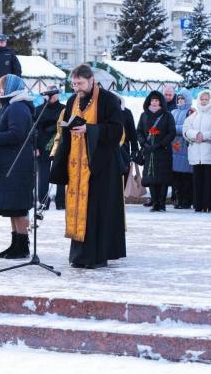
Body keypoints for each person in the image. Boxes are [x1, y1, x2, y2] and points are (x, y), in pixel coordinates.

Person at [49, 64, 126, 269]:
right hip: (76, 166)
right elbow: (64, 128)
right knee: (78, 210)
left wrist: (90, 130)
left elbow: (117, 131)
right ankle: (79, 255)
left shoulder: (109, 100)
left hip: (100, 166)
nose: (77, 88)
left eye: (80, 83)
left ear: (91, 79)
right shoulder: (73, 101)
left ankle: (97, 256)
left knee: (96, 210)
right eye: (74, 84)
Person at [0, 74, 34, 259]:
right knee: (13, 206)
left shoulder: (18, 107)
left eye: (2, 87)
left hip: (17, 164)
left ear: (12, 87)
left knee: (19, 206)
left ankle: (22, 245)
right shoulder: (11, 106)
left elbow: (16, 134)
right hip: (10, 162)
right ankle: (15, 243)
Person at [136, 90, 176, 212]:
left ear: (161, 102)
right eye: (152, 100)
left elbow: (171, 132)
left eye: (157, 100)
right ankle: (155, 203)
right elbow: (139, 131)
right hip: (149, 151)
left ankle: (162, 204)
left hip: (163, 151)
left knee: (163, 179)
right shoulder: (144, 115)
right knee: (151, 178)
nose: (154, 103)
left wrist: (160, 144)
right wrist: (144, 143)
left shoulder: (167, 115)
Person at [183, 90, 211, 212]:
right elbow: (186, 128)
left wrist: (203, 136)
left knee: (210, 181)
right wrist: (196, 134)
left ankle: (210, 205)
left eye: (206, 99)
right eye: (202, 99)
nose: (203, 101)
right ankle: (198, 205)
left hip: (210, 152)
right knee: (197, 181)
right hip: (196, 153)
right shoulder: (194, 115)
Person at [34, 89, 64, 211]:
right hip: (42, 145)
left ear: (58, 95)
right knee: (43, 175)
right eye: (49, 94)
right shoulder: (38, 110)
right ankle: (43, 202)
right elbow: (33, 129)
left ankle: (61, 202)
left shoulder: (64, 108)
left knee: (61, 173)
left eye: (54, 94)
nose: (51, 96)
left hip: (60, 144)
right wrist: (35, 147)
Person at [171, 89, 194, 209]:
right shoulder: (173, 112)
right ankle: (178, 199)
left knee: (186, 177)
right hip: (174, 147)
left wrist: (174, 129)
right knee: (176, 177)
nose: (180, 101)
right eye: (178, 99)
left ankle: (186, 200)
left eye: (182, 99)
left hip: (185, 147)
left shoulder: (191, 112)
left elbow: (188, 128)